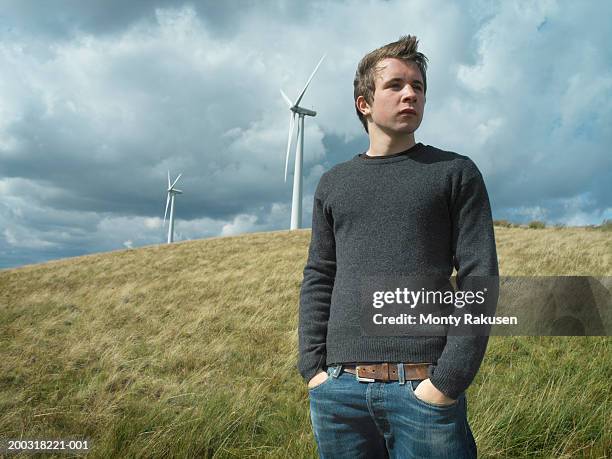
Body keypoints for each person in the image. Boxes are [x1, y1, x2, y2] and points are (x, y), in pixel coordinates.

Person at [298, 35, 499, 458]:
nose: (411, 93)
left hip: (423, 390)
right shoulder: (333, 183)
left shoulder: (455, 173)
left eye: (419, 86)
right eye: (395, 85)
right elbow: (319, 275)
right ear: (363, 103)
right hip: (339, 393)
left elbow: (479, 277)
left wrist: (446, 383)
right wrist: (313, 370)